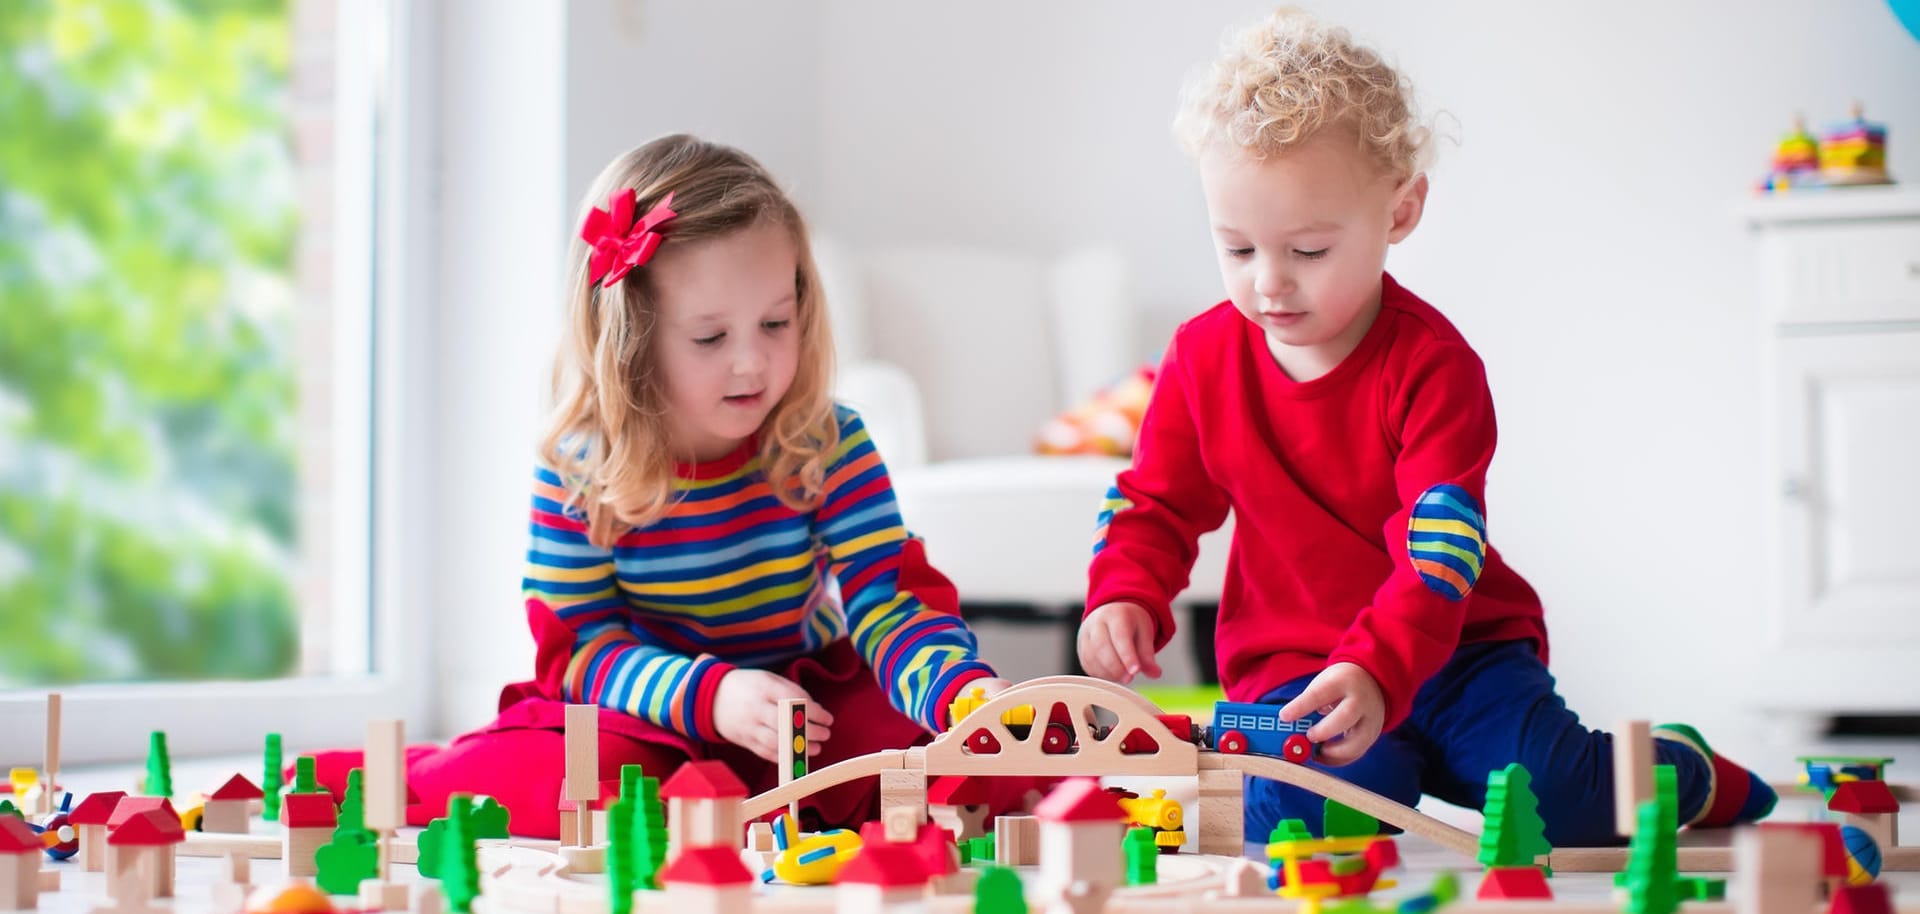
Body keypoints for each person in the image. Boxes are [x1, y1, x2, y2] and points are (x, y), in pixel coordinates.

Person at [1077, 9, 1775, 844]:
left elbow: (1439, 553)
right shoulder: (1200, 358)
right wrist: (1123, 591)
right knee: (1311, 816)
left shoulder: (1433, 366)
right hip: (1294, 664)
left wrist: (1377, 669)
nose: (1270, 284)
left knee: (1565, 800)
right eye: (1237, 249)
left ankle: (1682, 766)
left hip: (1457, 652)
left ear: (1399, 212)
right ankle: (1405, 765)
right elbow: (1153, 500)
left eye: (1306, 251)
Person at [309, 134, 1018, 837]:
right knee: (563, 778)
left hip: (799, 704)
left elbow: (887, 601)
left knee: (947, 755)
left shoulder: (827, 441)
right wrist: (709, 697)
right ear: (632, 340)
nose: (752, 363)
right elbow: (581, 649)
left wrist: (960, 692)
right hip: (646, 714)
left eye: (776, 321)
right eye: (711, 338)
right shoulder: (581, 464)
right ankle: (376, 775)